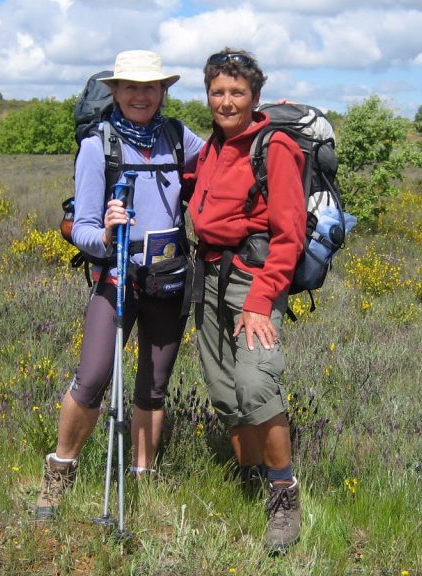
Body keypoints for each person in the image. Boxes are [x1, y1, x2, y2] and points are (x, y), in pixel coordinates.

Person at [36, 50, 204, 521]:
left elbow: (223, 156)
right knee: (91, 379)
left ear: (163, 92)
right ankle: (59, 472)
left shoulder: (178, 138)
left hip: (168, 281)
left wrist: (264, 118)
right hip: (116, 278)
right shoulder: (98, 146)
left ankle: (141, 478)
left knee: (154, 387)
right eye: (129, 86)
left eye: (149, 86)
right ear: (114, 91)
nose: (140, 95)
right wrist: (107, 234)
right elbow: (84, 229)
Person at [187, 48, 306, 553]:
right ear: (208, 95)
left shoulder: (273, 146)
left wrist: (261, 300)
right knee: (224, 393)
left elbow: (289, 234)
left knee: (255, 381)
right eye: (218, 91)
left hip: (252, 282)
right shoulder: (211, 147)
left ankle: (284, 496)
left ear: (254, 97)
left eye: (237, 92)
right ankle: (253, 478)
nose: (227, 101)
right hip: (206, 279)